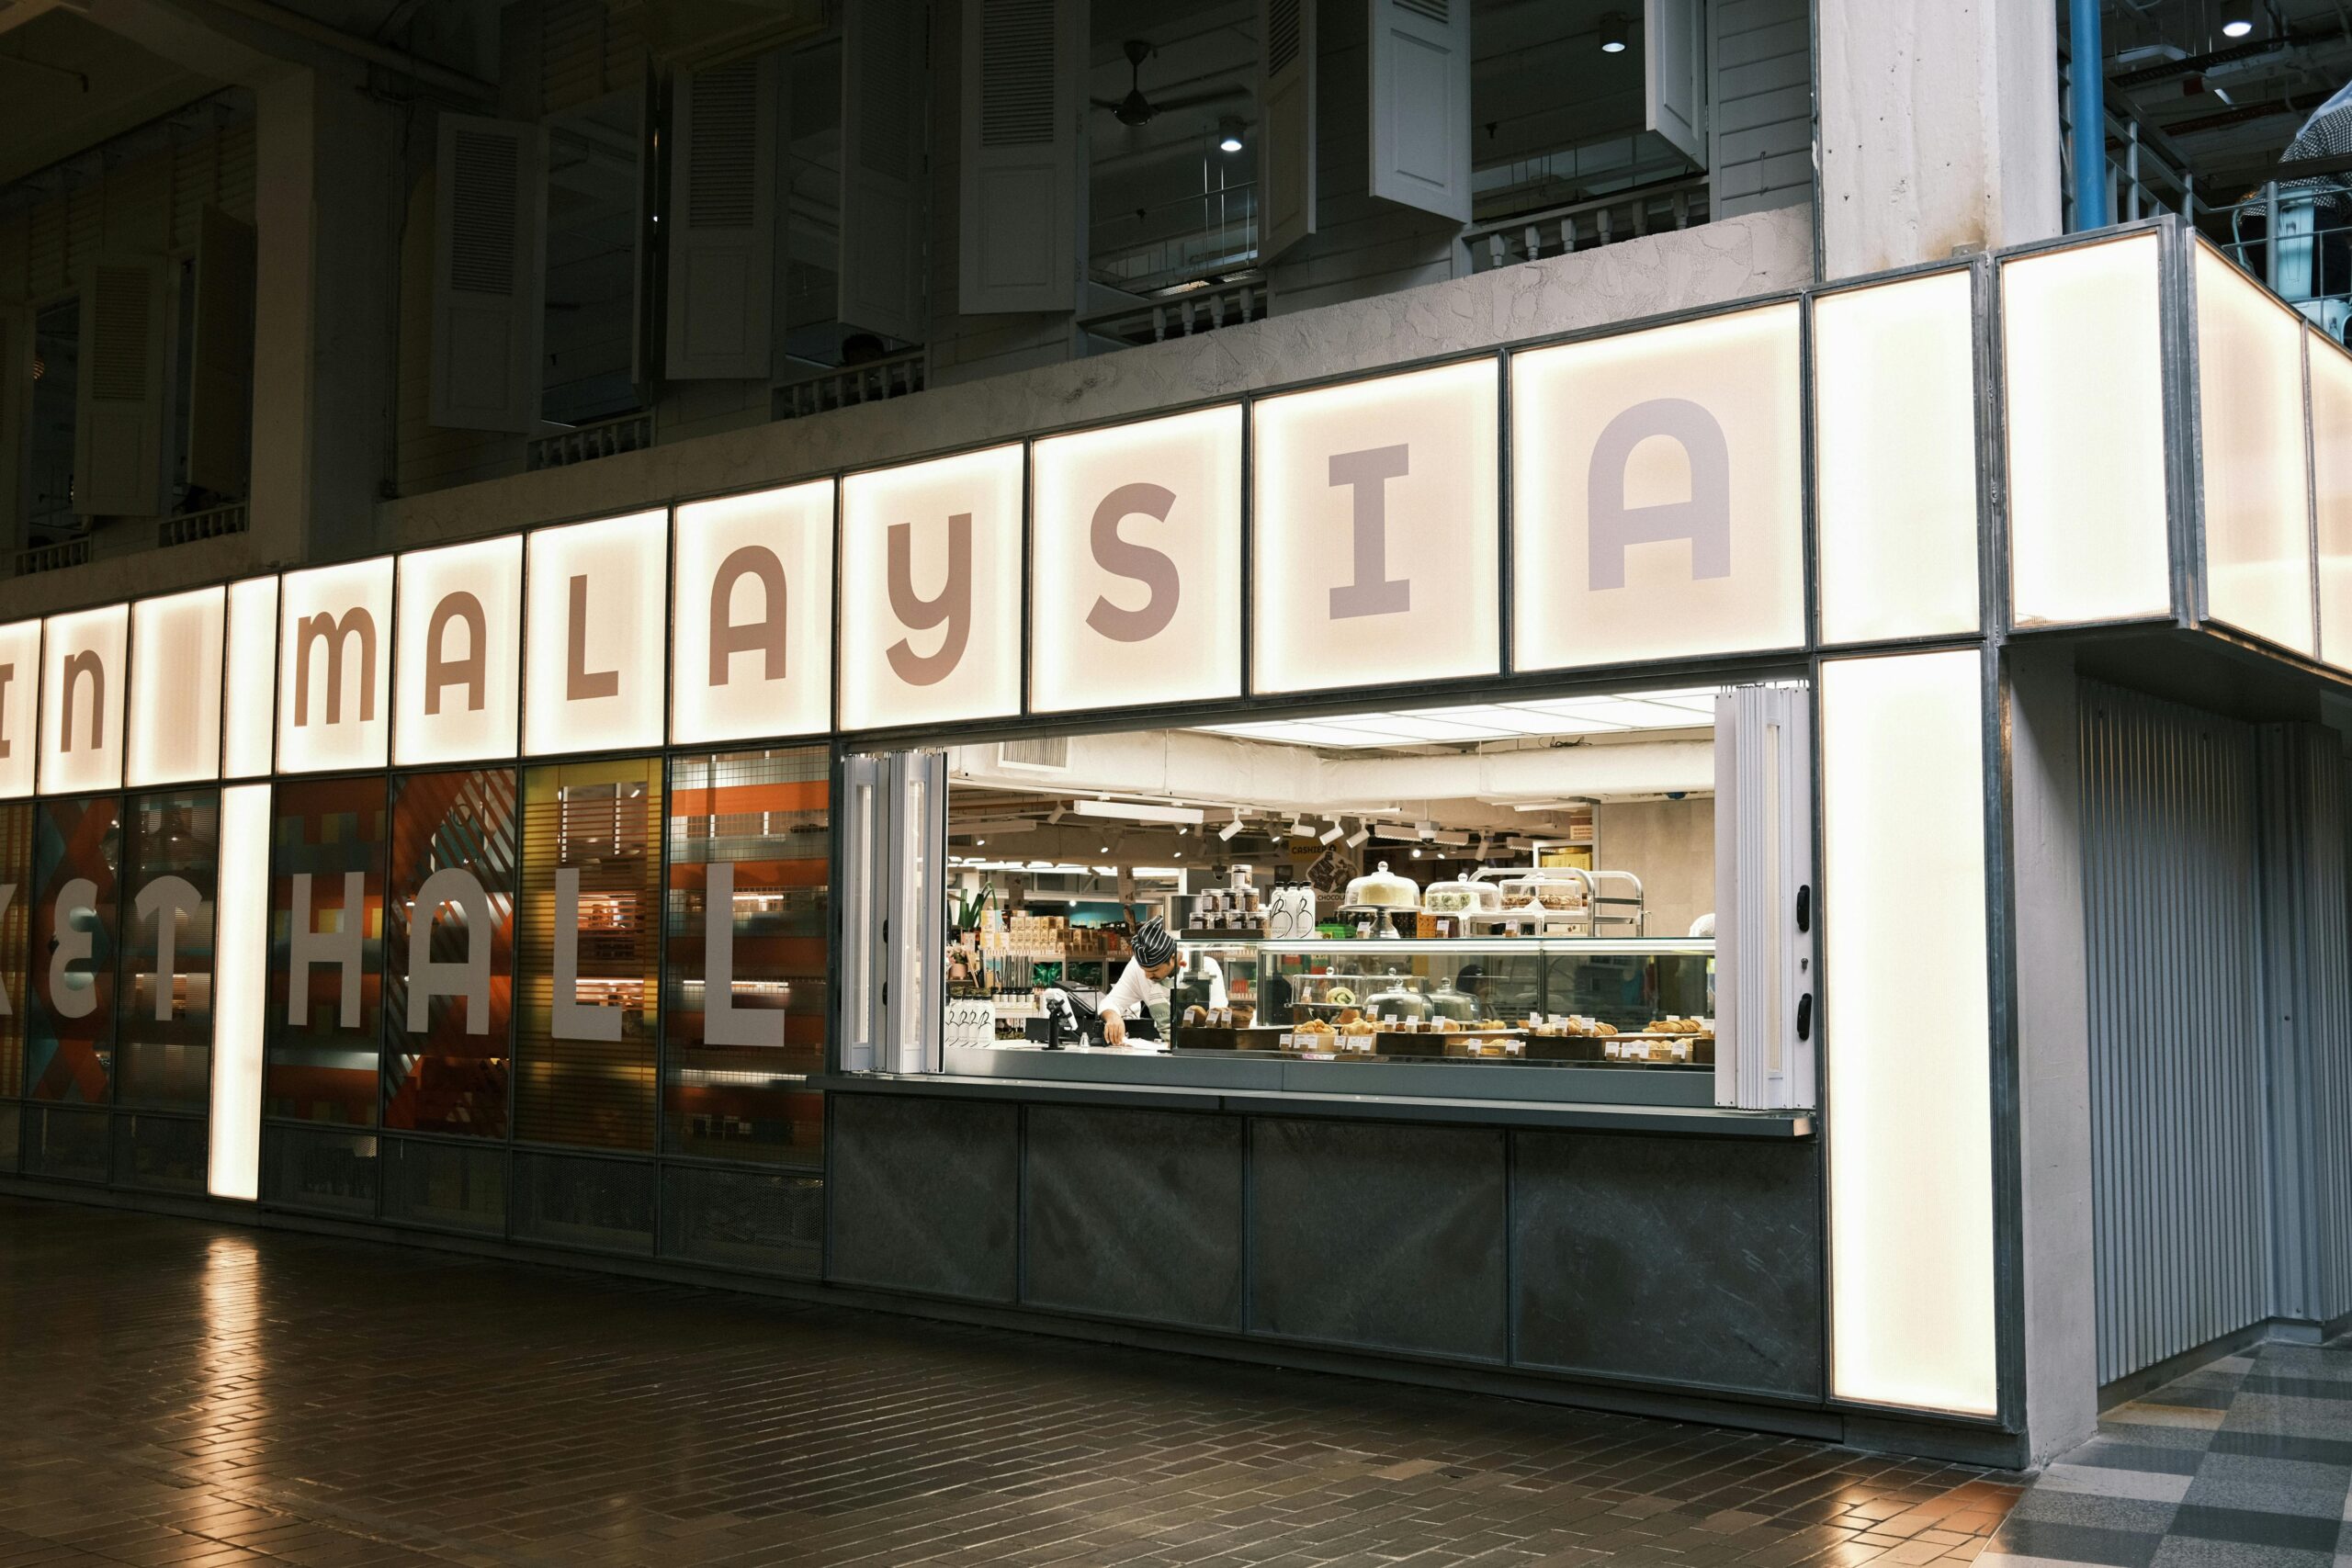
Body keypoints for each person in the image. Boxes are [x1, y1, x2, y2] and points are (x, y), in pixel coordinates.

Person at [1099, 916, 1223, 1046]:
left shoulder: (1206, 966)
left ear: (1173, 958)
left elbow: (1219, 1015)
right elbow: (1111, 1002)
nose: (1147, 976)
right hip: (1165, 1049)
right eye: (1144, 970)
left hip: (1203, 1048)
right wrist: (1112, 1016)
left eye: (1154, 970)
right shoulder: (1137, 968)